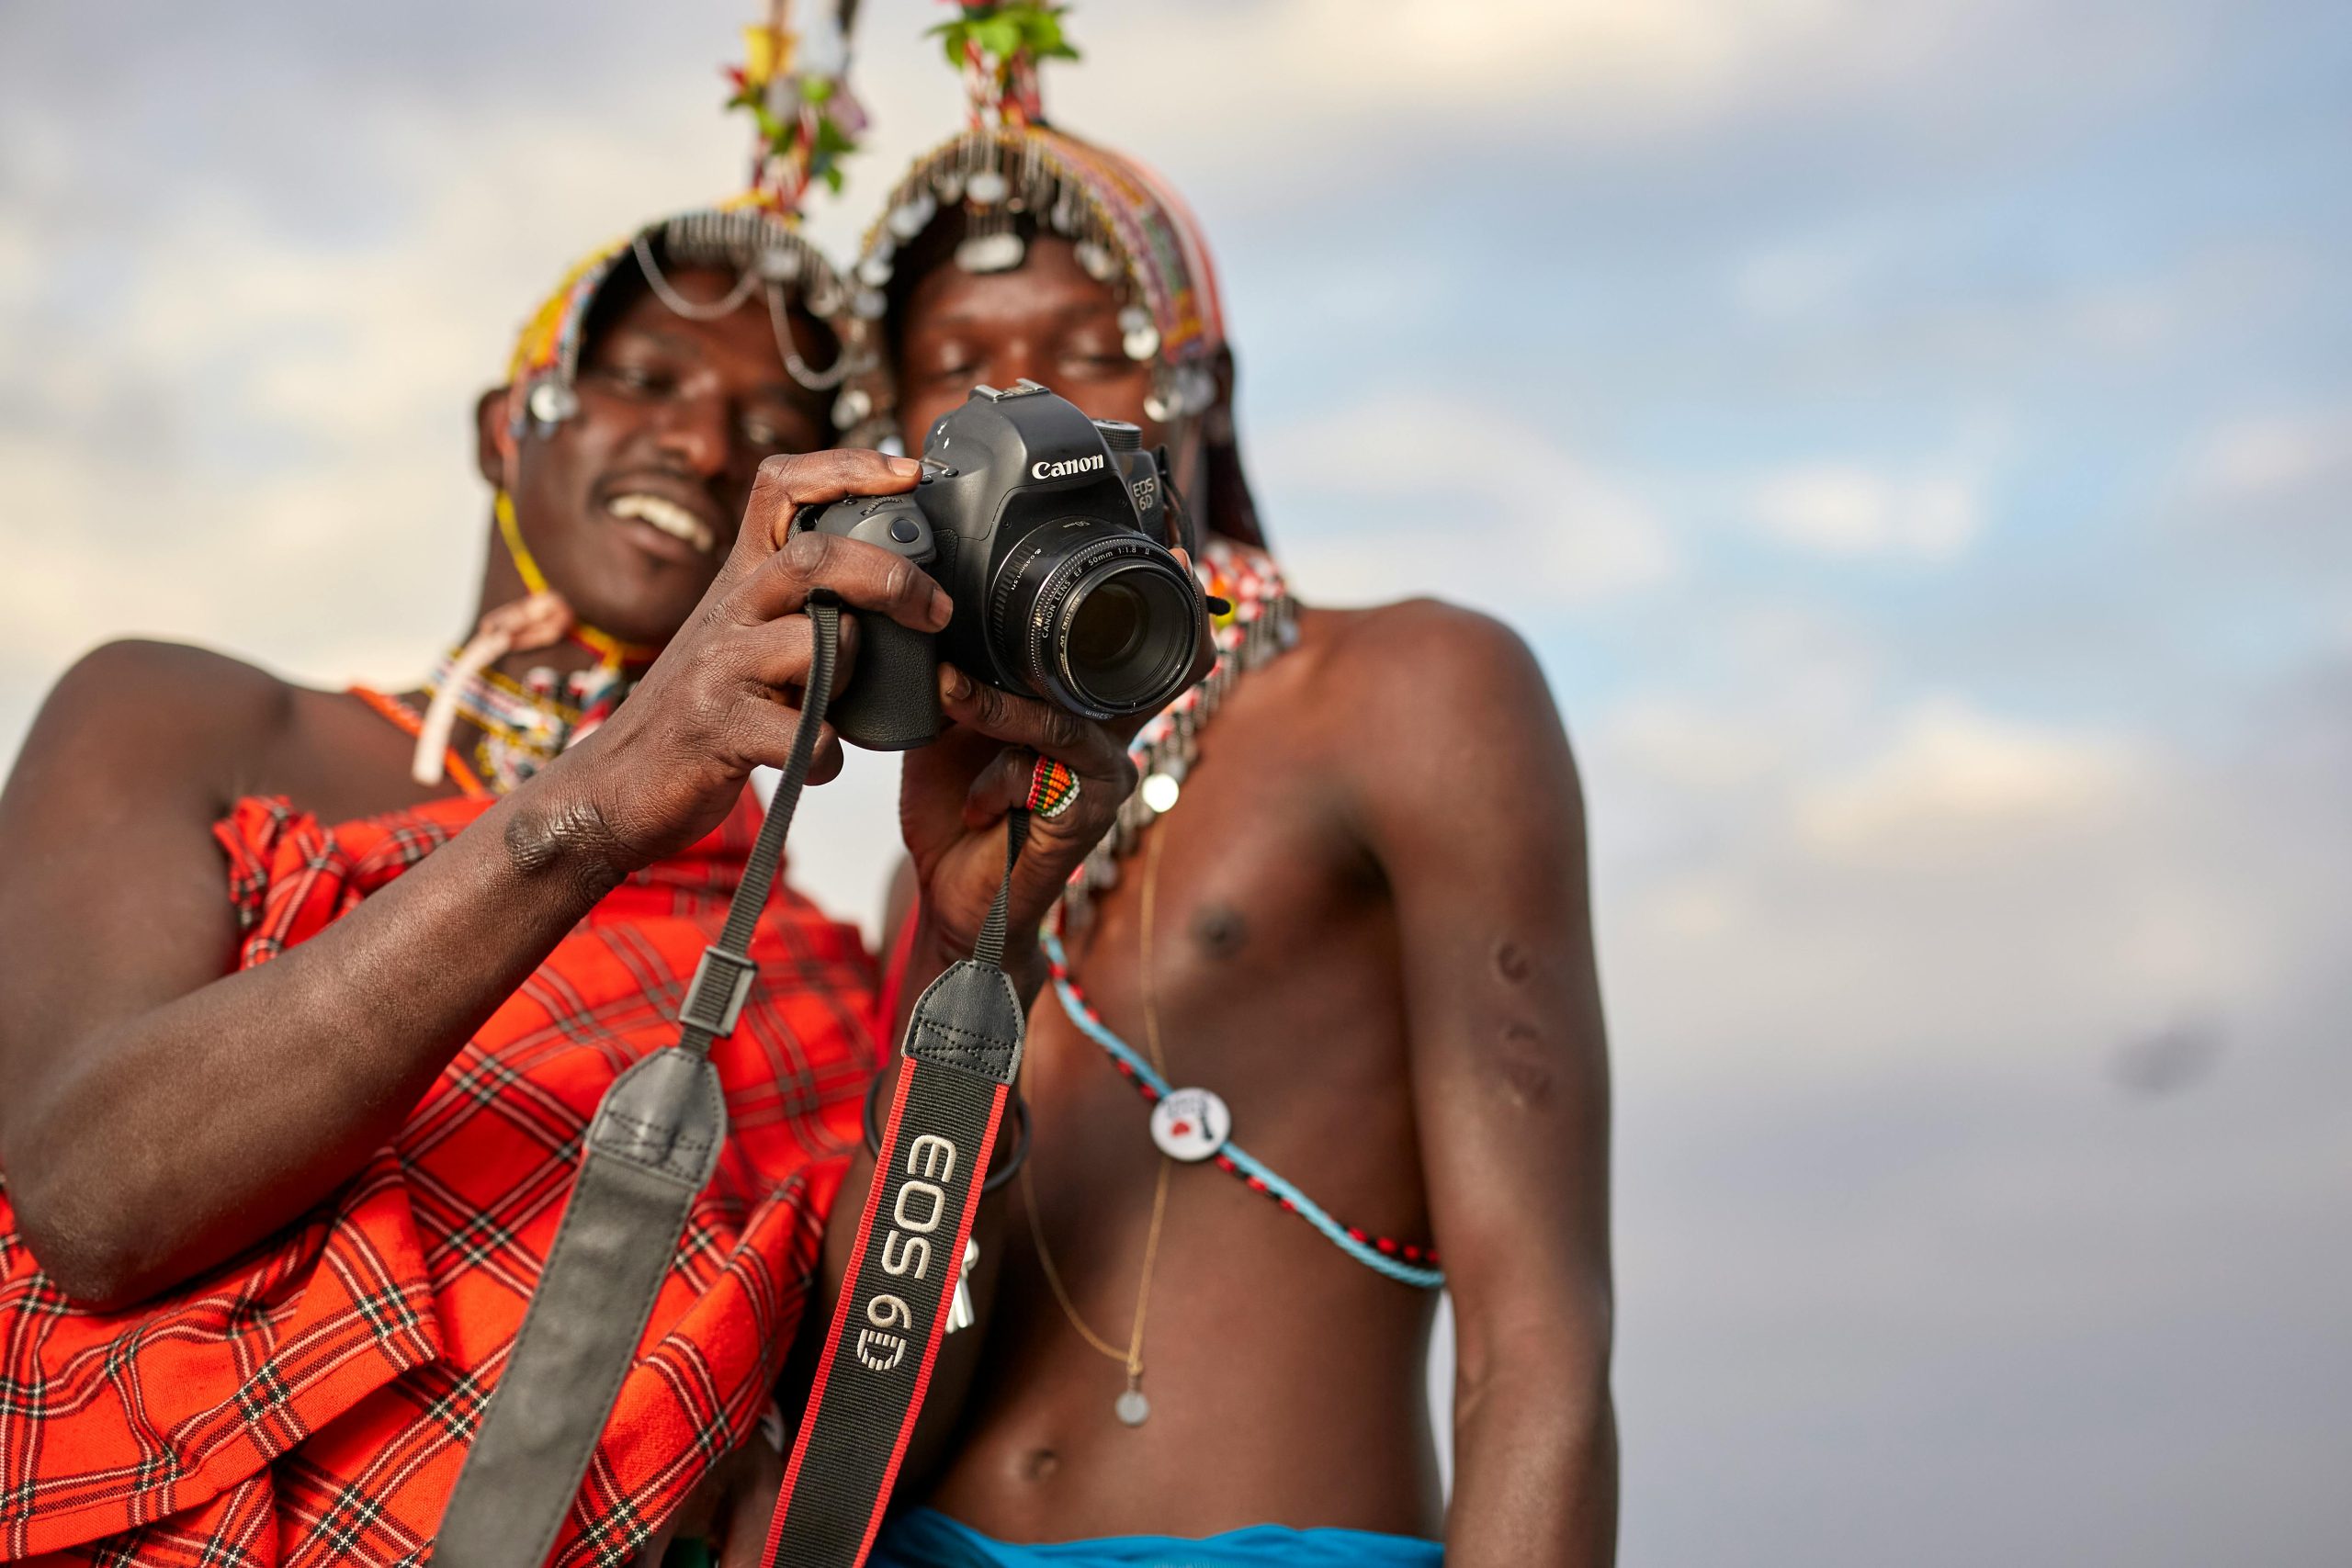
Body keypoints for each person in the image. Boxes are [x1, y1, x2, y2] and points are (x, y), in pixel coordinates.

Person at [0, 150, 1148, 1568]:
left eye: (772, 426)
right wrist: (594, 798)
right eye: (651, 379)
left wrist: (982, 951)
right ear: (509, 425)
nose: (706, 444)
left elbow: (862, 1448)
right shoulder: (182, 716)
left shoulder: (809, 959)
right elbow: (93, 1203)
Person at [835, 13, 1618, 1566]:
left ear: (1199, 382)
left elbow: (1543, 1352)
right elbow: (893, 1376)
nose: (1029, 412)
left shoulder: (1409, 692)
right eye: (959, 376)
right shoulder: (933, 848)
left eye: (1090, 348)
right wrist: (953, 948)